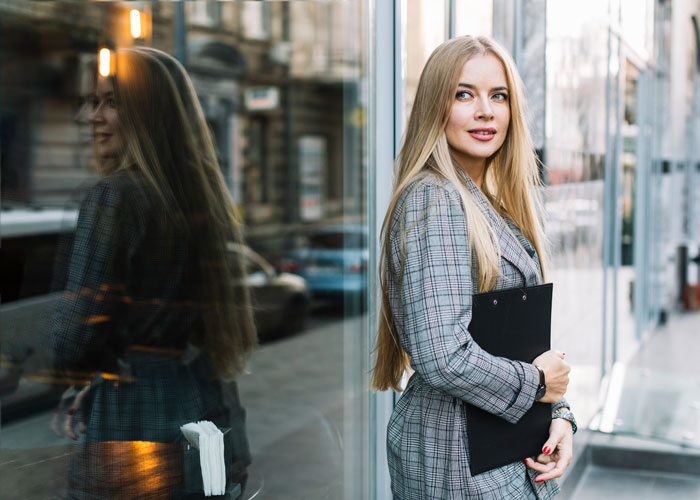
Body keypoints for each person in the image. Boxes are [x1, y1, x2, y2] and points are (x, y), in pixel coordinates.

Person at [371, 35, 576, 499]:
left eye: (498, 96)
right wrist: (541, 384)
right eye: (464, 94)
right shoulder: (435, 199)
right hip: (457, 458)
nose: (486, 111)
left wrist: (558, 415)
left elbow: (510, 342)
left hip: (497, 449)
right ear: (434, 107)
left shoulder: (486, 201)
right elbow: (443, 356)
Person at [51, 46, 257, 499]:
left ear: (147, 114)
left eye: (111, 102)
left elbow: (74, 338)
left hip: (133, 412)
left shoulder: (115, 197)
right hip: (198, 397)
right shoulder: (201, 198)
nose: (93, 116)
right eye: (93, 101)